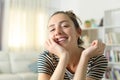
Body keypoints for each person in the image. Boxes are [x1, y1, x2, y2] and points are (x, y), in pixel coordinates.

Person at [37, 10, 108, 80]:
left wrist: (85, 56)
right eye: (52, 29)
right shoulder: (46, 58)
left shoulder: (96, 59)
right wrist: (63, 56)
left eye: (65, 26)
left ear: (78, 32)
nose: (57, 32)